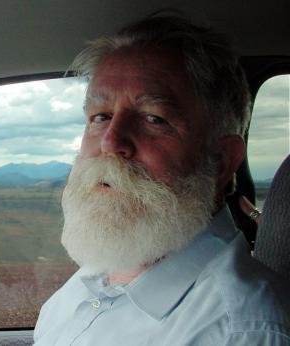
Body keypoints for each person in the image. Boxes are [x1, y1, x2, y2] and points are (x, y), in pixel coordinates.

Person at [33, 12, 290, 345]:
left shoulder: (242, 330)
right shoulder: (93, 278)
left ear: (221, 160)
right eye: (101, 116)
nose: (111, 142)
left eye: (153, 118)